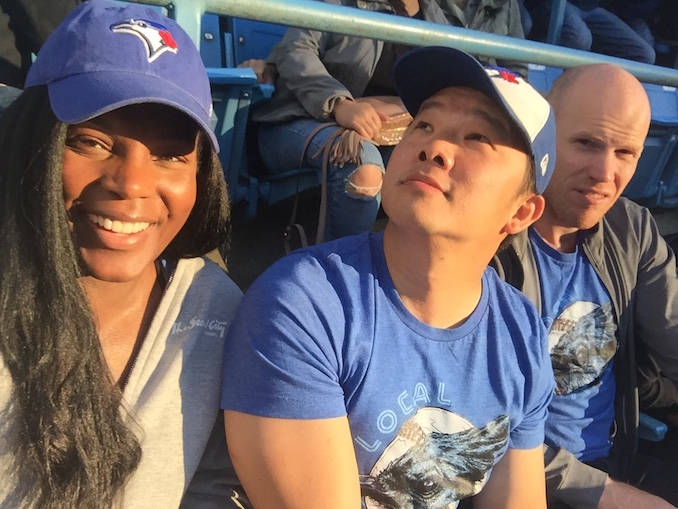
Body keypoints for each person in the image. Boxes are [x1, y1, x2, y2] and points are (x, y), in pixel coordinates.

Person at [222, 45, 558, 508]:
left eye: (478, 138)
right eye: (424, 124)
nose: (435, 147)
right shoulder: (303, 304)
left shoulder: (520, 331)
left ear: (522, 212)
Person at [0, 1, 247, 508]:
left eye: (170, 156)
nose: (132, 183)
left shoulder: (212, 308)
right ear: (33, 139)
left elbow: (213, 484)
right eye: (90, 142)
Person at [492, 63, 678, 508]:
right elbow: (478, 428)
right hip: (516, 483)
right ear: (544, 133)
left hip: (616, 459)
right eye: (586, 144)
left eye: (625, 153)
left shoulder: (630, 228)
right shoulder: (490, 239)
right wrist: (609, 495)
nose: (604, 172)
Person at [252, 0, 458, 243]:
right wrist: (339, 103)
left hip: (389, 133)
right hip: (299, 118)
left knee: (437, 167)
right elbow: (295, 50)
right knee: (364, 167)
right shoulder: (338, 3)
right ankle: (337, 271)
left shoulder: (438, 21)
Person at [523, 0, 656, 64]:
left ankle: (603, 101)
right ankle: (559, 93)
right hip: (552, 3)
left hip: (591, 8)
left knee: (643, 55)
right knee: (579, 37)